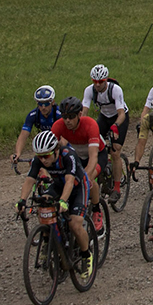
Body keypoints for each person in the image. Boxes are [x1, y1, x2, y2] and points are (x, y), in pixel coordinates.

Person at [17, 131, 93, 281]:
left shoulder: (68, 156)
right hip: (59, 185)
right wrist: (22, 201)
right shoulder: (39, 160)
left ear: (56, 151)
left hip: (78, 186)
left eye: (46, 156)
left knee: (75, 224)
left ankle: (86, 255)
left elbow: (70, 182)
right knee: (43, 205)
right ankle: (48, 240)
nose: (43, 160)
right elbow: (29, 180)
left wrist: (63, 201)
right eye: (40, 156)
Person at [52, 96, 107, 231]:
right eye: (65, 117)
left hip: (97, 154)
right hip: (78, 155)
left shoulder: (90, 125)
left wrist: (85, 177)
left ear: (80, 114)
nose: (68, 121)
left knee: (89, 179)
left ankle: (96, 210)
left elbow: (93, 157)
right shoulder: (58, 126)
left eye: (71, 116)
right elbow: (51, 151)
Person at [81, 64, 129, 199]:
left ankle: (117, 188)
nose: (97, 85)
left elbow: (121, 114)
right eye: (94, 81)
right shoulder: (89, 91)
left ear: (106, 80)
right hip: (104, 117)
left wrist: (115, 126)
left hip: (119, 118)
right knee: (95, 146)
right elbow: (84, 111)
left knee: (115, 151)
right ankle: (103, 172)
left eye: (100, 82)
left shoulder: (115, 90)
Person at [12, 85, 62, 164]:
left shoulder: (59, 114)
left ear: (52, 102)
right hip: (45, 146)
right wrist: (18, 153)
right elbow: (23, 136)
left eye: (46, 104)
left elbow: (66, 136)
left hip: (60, 144)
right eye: (40, 104)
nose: (43, 107)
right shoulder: (33, 115)